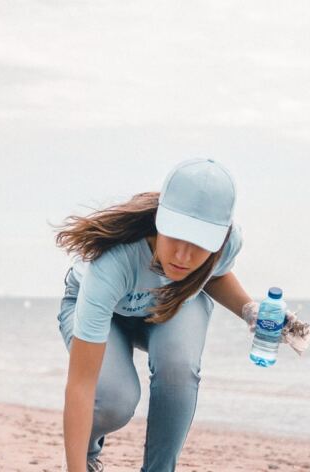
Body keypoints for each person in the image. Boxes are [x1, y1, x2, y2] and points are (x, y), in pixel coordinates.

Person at [56, 159, 259, 472]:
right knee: (114, 400)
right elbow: (81, 384)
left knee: (178, 367)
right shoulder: (113, 262)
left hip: (170, 304)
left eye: (199, 245)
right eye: (175, 236)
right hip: (108, 312)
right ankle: (87, 455)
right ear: (159, 220)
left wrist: (250, 311)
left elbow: (215, 275)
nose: (182, 256)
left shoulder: (228, 245)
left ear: (220, 239)